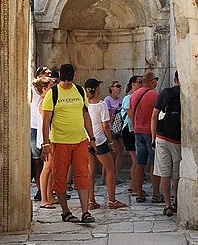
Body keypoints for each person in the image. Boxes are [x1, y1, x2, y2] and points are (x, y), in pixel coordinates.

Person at [40, 63, 98, 224]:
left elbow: (85, 115)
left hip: (80, 141)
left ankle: (85, 212)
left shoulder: (80, 91)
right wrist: (46, 145)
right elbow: (46, 121)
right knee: (60, 177)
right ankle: (66, 212)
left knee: (82, 175)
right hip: (59, 142)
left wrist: (91, 138)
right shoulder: (53, 93)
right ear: (74, 74)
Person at [84, 79, 127, 210]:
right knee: (110, 170)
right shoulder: (101, 104)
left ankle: (91, 201)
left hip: (87, 140)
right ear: (96, 88)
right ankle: (112, 200)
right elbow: (106, 125)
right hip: (100, 140)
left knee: (90, 172)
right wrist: (111, 142)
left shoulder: (84, 104)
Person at [152, 70, 181, 217]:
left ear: (175, 79)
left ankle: (167, 205)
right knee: (176, 175)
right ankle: (176, 202)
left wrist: (153, 138)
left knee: (164, 173)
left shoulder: (166, 92)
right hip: (178, 140)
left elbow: (154, 116)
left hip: (162, 137)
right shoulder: (186, 94)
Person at [130, 70, 162, 204]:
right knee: (154, 163)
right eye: (156, 80)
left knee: (140, 163)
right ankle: (156, 194)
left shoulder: (134, 95)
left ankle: (139, 192)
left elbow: (131, 113)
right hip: (151, 132)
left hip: (138, 131)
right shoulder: (155, 95)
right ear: (152, 81)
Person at [29, 67, 51, 202]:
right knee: (38, 162)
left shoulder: (47, 98)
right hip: (35, 129)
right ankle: (42, 193)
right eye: (46, 74)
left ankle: (47, 193)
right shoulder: (32, 92)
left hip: (44, 131)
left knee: (46, 164)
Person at [118, 75, 141, 182]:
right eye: (139, 82)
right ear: (133, 84)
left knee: (137, 160)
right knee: (135, 160)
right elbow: (130, 115)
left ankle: (135, 185)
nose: (141, 84)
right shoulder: (128, 98)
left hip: (134, 129)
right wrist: (136, 128)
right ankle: (134, 185)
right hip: (130, 129)